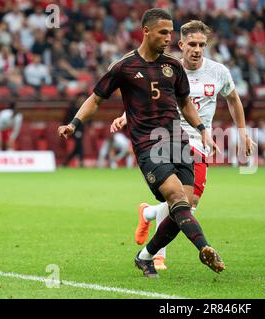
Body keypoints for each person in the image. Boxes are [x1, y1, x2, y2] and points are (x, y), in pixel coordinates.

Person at [58, 9, 224, 278]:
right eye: (163, 32)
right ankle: (204, 248)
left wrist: (202, 129)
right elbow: (96, 99)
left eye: (170, 32)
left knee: (183, 206)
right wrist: (73, 124)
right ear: (145, 31)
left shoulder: (174, 66)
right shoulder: (124, 66)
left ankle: (145, 256)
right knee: (176, 197)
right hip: (149, 145)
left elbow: (184, 104)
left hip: (178, 141)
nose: (169, 38)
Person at [110, 20, 254, 270]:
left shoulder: (218, 71)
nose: (197, 49)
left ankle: (149, 215)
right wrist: (125, 116)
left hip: (201, 140)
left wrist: (242, 132)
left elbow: (233, 99)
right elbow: (146, 96)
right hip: (170, 137)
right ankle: (155, 255)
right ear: (181, 44)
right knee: (186, 204)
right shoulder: (169, 68)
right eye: (192, 44)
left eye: (202, 45)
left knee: (183, 204)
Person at [62, 93, 88, 167]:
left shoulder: (84, 108)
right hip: (74, 130)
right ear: (78, 99)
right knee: (79, 145)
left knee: (77, 146)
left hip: (81, 130)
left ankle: (67, 162)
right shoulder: (72, 108)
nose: (83, 100)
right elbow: (66, 119)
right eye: (82, 98)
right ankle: (81, 161)